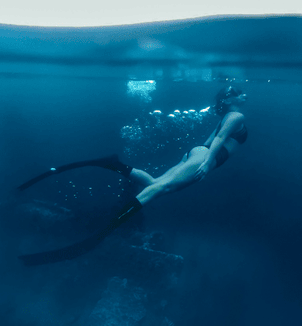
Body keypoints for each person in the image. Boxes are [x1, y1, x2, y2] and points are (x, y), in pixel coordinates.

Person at [18, 86, 248, 265]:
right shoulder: (236, 116)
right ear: (227, 100)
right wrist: (208, 164)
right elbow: (217, 142)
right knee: (160, 189)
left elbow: (208, 142)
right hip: (207, 157)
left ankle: (112, 165)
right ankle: (111, 226)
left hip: (199, 153)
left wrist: (201, 157)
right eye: (238, 93)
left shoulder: (227, 117)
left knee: (155, 182)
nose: (243, 95)